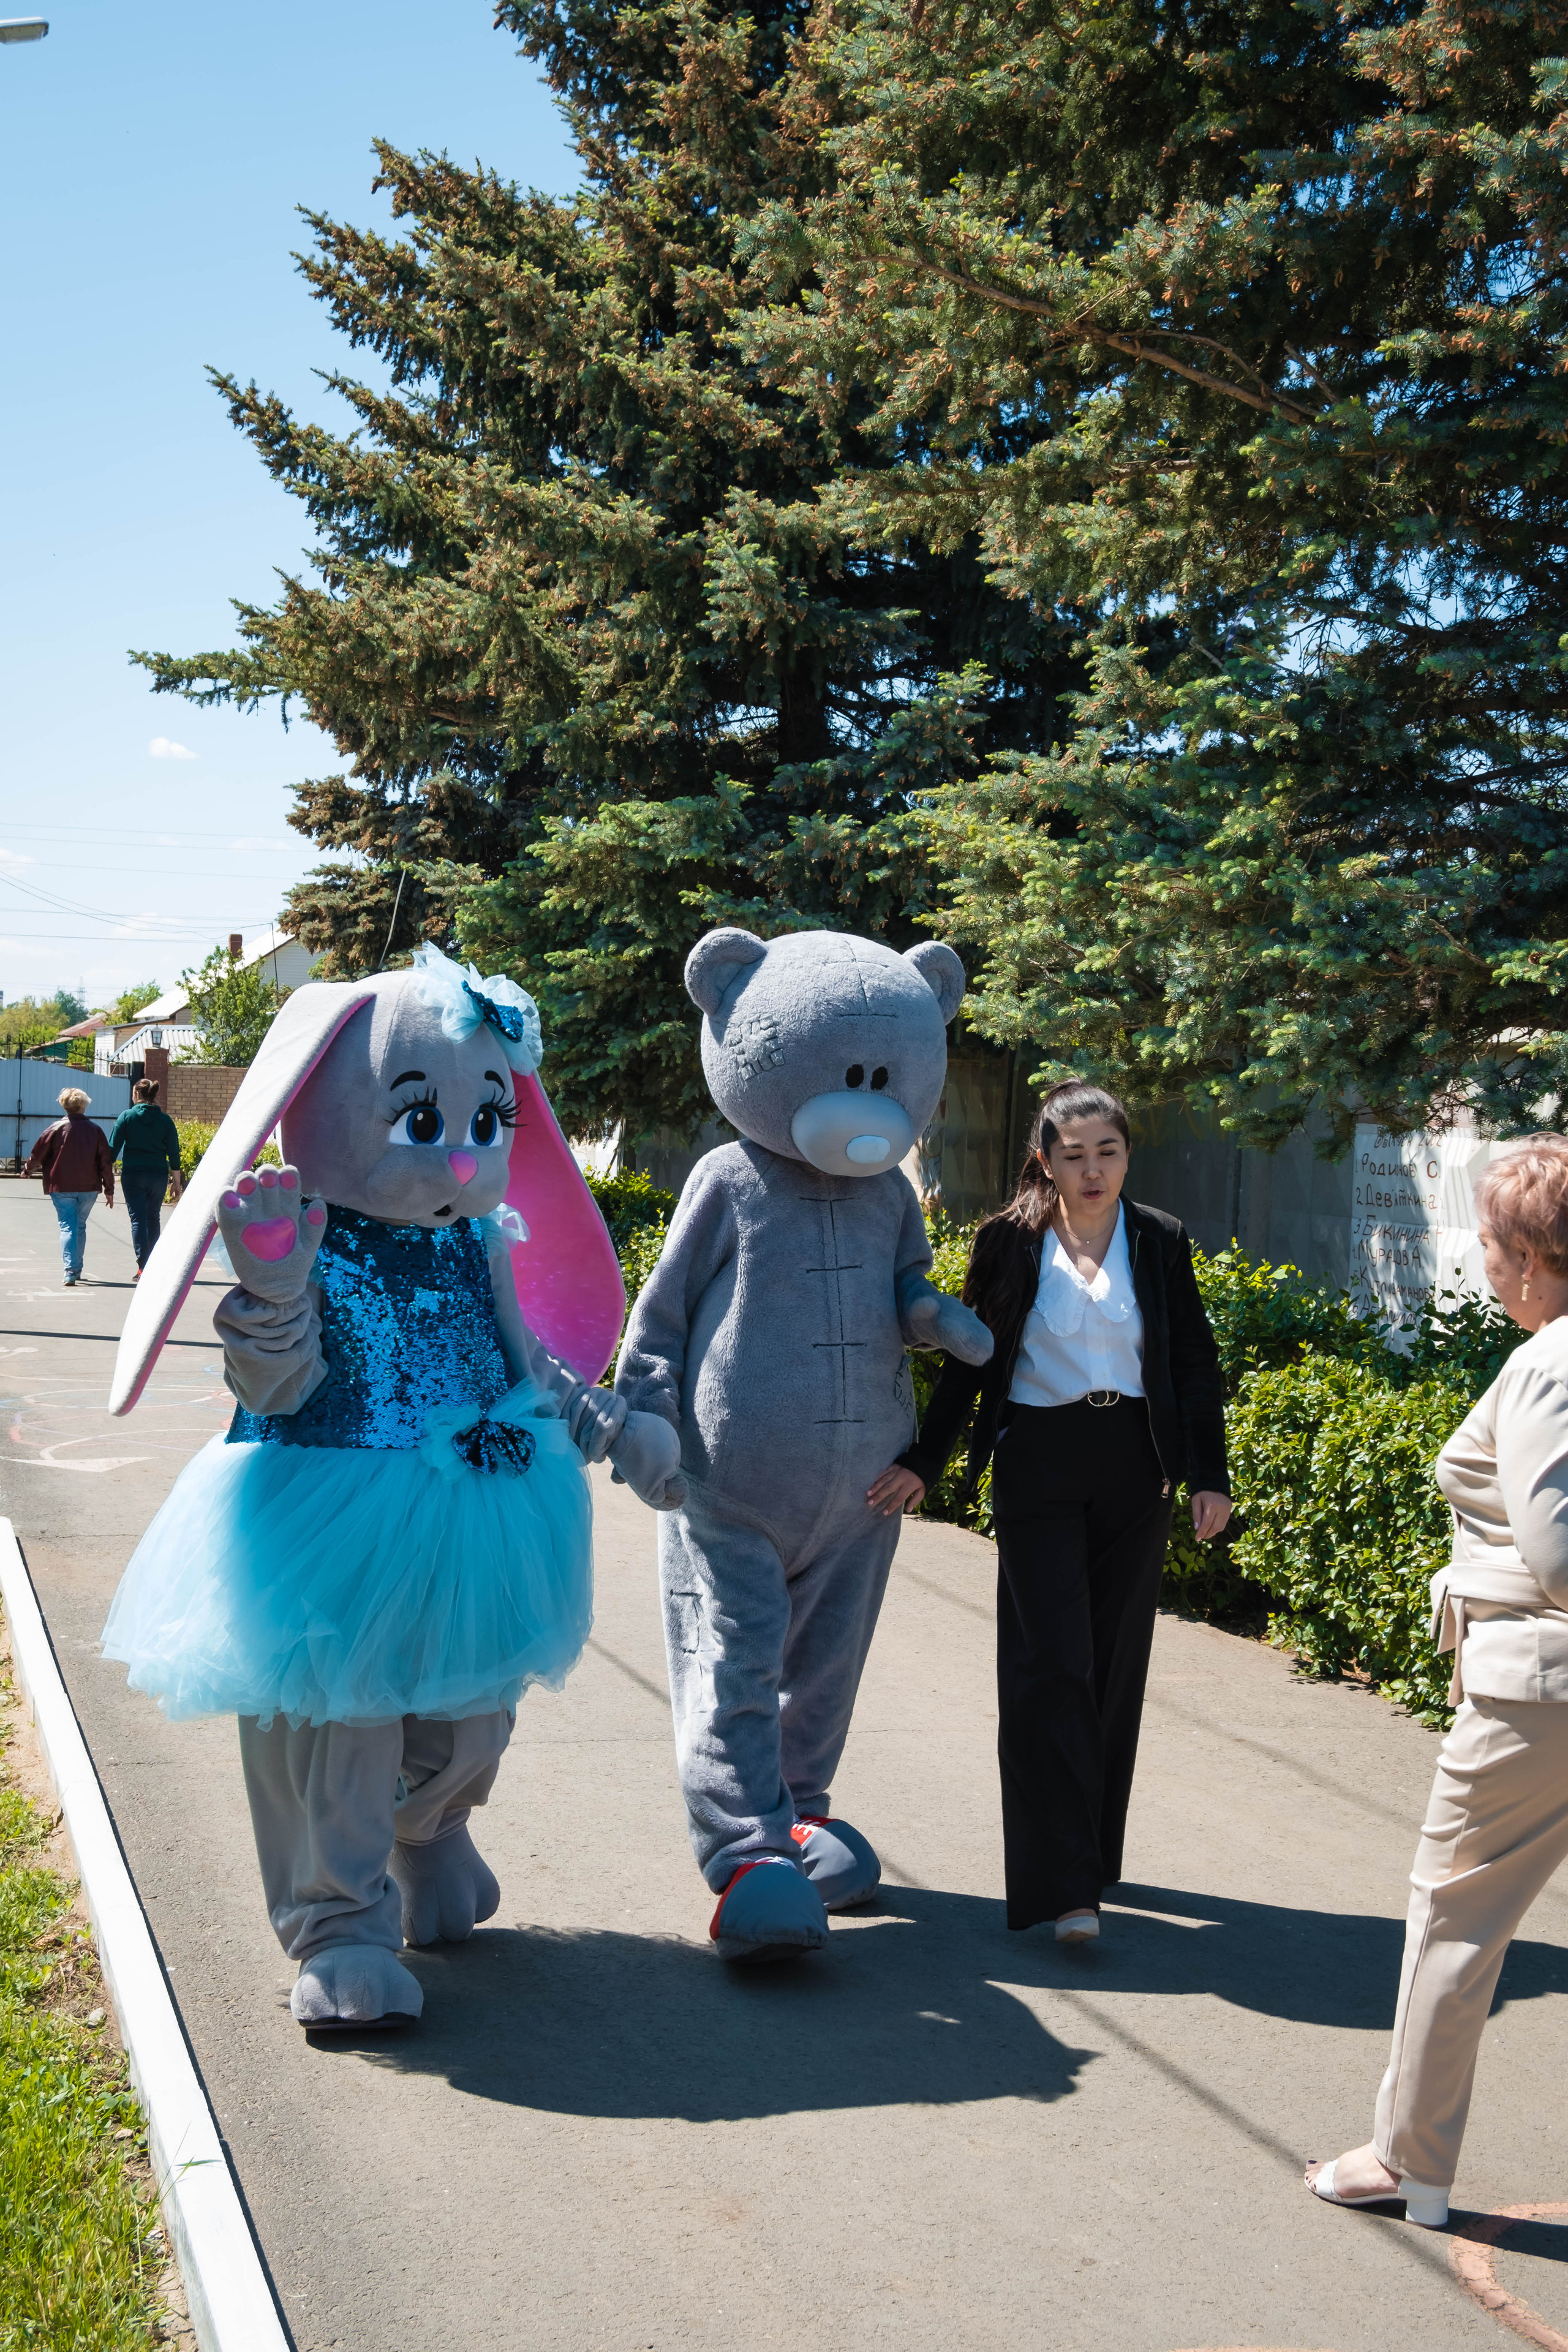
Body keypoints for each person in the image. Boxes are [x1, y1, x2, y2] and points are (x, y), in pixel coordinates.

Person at [867, 1080, 1231, 1945]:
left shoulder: (1158, 1238)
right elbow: (970, 1360)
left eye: (1108, 1151)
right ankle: (1066, 1889)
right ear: (1045, 1161)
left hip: (1135, 1468)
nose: (1093, 1169)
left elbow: (1192, 1359)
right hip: (1037, 1462)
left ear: (1127, 1155)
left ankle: (1089, 1854)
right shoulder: (1010, 1241)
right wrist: (926, 1459)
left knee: (1110, 1671)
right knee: (1051, 1665)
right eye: (1074, 1155)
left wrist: (1208, 1475)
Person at [1306, 1134, 1568, 2233]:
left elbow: (1559, 1558)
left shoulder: (1551, 1362)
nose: (1484, 1262)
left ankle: (1407, 2163)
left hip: (1535, 1698)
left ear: (1533, 1257)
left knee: (1453, 1919)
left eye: (1493, 1243)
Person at [26, 1085, 115, 1288]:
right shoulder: (95, 1130)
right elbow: (105, 1162)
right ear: (84, 1106)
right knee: (80, 1225)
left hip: (61, 1186)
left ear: (64, 1106)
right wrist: (109, 1189)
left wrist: (27, 1170)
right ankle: (77, 1267)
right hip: (89, 1187)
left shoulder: (55, 1128)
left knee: (68, 1225)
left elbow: (37, 1154)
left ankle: (70, 1270)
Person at [108, 1078, 184, 1280]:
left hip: (133, 1174)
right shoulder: (165, 1121)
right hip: (158, 1175)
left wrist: (105, 1178)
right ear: (154, 1095)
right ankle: (154, 1265)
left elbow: (112, 1150)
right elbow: (174, 1153)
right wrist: (176, 1182)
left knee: (138, 1220)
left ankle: (143, 1266)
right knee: (153, 1217)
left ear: (136, 1095)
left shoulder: (127, 1117)